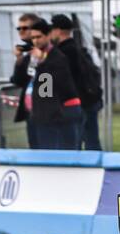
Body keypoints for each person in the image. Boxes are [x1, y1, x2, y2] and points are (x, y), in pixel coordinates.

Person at [14, 19, 82, 149]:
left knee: (56, 153)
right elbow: (19, 80)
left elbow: (47, 89)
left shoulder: (57, 57)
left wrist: (42, 62)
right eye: (33, 37)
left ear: (48, 35)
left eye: (39, 37)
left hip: (55, 114)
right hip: (35, 114)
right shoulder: (31, 56)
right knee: (36, 151)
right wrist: (19, 60)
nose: (35, 41)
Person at [49, 13, 103, 150]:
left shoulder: (63, 53)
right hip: (89, 99)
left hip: (77, 103)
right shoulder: (79, 49)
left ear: (58, 30)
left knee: (73, 143)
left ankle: (76, 170)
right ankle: (98, 168)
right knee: (92, 140)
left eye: (52, 30)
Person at [10, 13, 41, 147]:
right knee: (34, 146)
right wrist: (19, 59)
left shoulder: (45, 51)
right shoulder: (27, 53)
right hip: (31, 111)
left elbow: (47, 80)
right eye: (19, 28)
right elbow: (18, 80)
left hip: (45, 110)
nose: (21, 31)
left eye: (25, 28)